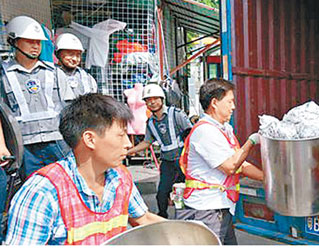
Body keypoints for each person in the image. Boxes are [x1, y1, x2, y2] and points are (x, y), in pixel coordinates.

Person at [5, 93, 165, 245]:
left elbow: (143, 219)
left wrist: (187, 232)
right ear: (90, 139)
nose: (128, 144)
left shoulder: (120, 177)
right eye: (120, 135)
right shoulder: (41, 193)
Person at [176, 78, 264, 245]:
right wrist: (251, 142)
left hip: (220, 208)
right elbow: (230, 166)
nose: (233, 106)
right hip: (207, 210)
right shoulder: (205, 131)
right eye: (230, 101)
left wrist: (268, 179)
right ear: (215, 103)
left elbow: (241, 164)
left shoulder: (224, 129)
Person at [0, 15, 70, 180]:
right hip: (24, 148)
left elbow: (70, 110)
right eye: (30, 41)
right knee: (31, 192)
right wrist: (2, 146)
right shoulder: (3, 76)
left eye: (38, 42)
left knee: (64, 188)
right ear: (14, 42)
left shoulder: (55, 73)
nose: (35, 46)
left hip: (57, 144)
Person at [127, 83, 192, 218]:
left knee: (186, 191)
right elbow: (147, 142)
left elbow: (191, 134)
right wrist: (129, 151)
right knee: (161, 194)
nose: (152, 102)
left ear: (162, 99)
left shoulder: (176, 115)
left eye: (155, 99)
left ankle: (187, 218)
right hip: (167, 163)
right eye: (148, 100)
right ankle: (162, 218)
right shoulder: (150, 123)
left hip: (182, 161)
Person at [55, 33, 97, 103]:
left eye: (78, 55)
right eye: (70, 54)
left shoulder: (87, 78)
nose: (74, 59)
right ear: (57, 54)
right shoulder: (51, 75)